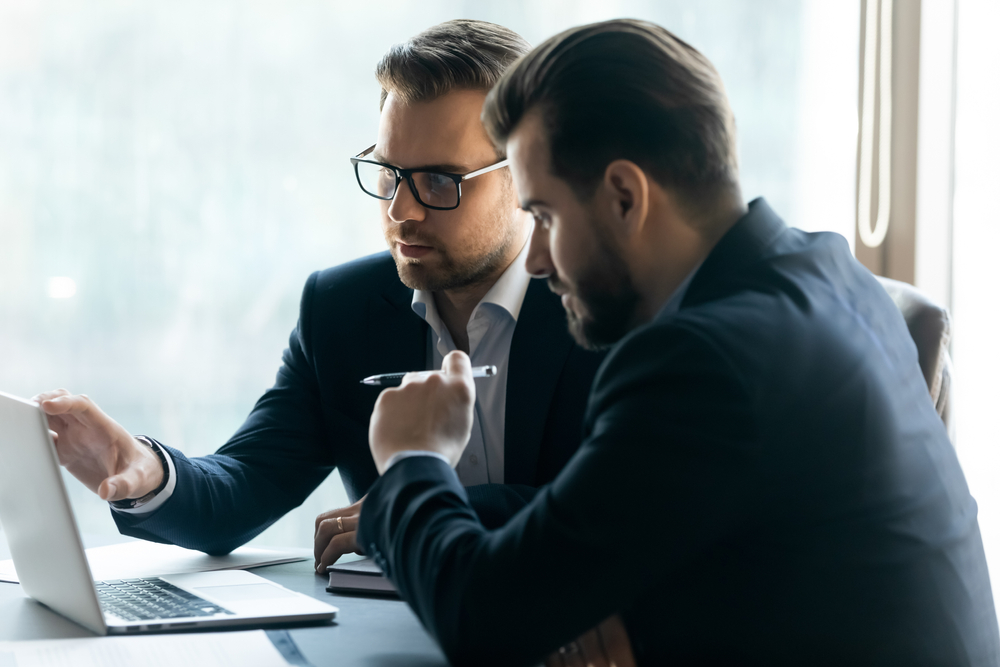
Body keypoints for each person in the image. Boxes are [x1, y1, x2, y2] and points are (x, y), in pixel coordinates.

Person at [355, 18, 1000, 666]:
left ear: (625, 197)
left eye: (545, 216)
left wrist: (413, 459)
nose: (541, 258)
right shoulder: (832, 275)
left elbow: (484, 618)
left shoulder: (702, 361)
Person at [34, 19, 604, 573]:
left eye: (439, 181)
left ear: (526, 174)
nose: (402, 211)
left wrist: (413, 508)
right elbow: (245, 485)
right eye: (388, 175)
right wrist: (142, 470)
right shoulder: (341, 309)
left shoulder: (610, 304)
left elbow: (626, 506)